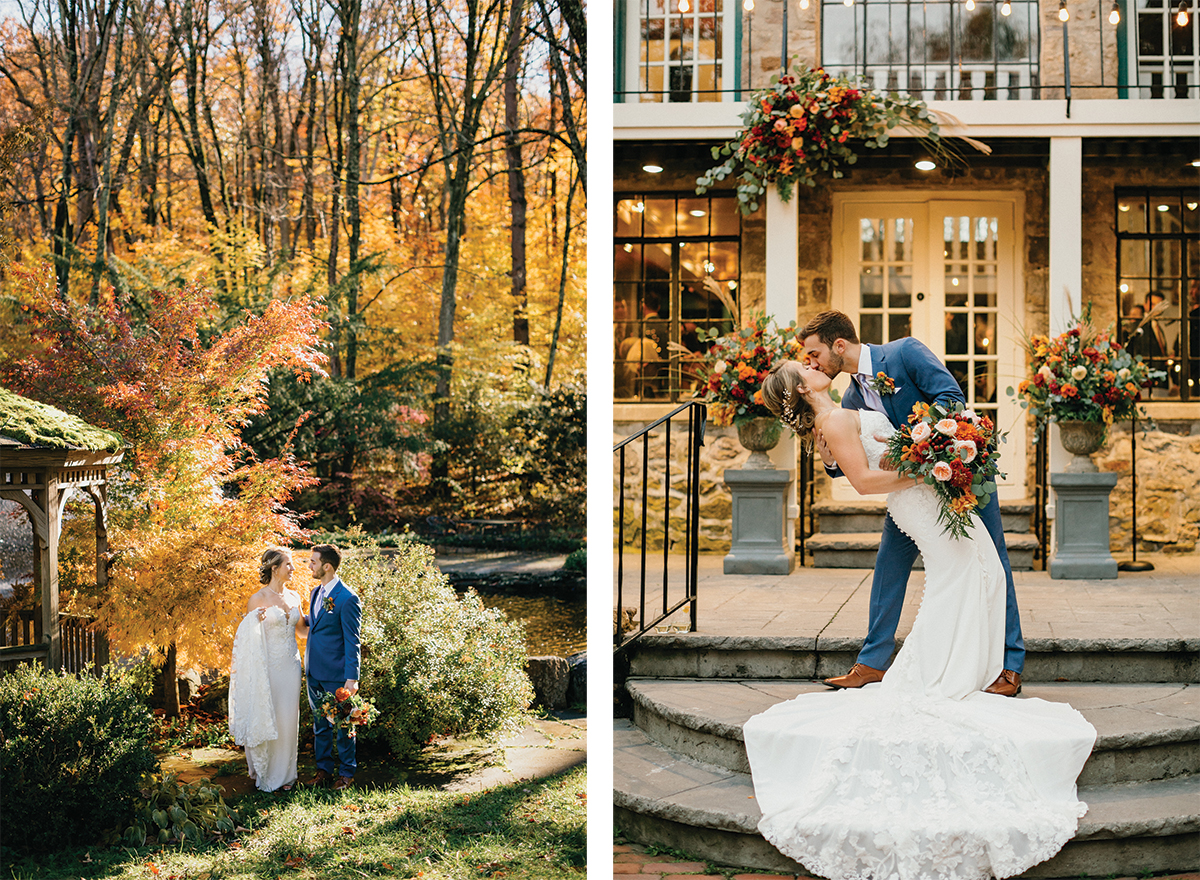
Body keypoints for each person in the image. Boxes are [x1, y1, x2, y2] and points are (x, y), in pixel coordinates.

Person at [746, 360, 1097, 879]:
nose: (816, 365)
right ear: (802, 386)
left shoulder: (843, 412)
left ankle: (957, 666)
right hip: (916, 497)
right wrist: (933, 461)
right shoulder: (837, 420)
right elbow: (864, 483)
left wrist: (933, 453)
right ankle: (939, 674)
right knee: (966, 573)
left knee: (981, 572)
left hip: (925, 492)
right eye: (807, 367)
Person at [799, 311, 1024, 696]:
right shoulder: (852, 396)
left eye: (815, 353)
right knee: (889, 565)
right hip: (913, 495)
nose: (811, 362)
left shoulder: (904, 352)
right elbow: (855, 463)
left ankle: (1009, 665)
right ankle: (871, 663)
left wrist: (909, 448)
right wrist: (829, 459)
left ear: (839, 345)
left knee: (993, 560)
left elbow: (951, 401)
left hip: (960, 474)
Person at [229, 548, 308, 793]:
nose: (293, 569)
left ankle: (286, 774)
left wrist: (325, 614)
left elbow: (303, 631)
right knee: (266, 714)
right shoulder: (257, 599)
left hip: (291, 667)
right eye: (289, 564)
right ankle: (265, 772)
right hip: (268, 668)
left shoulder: (295, 597)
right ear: (275, 568)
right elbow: (246, 639)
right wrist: (255, 622)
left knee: (288, 719)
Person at [303, 543, 362, 791]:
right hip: (315, 672)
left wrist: (352, 678)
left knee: (344, 725)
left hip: (337, 675)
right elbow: (313, 625)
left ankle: (346, 773)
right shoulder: (316, 593)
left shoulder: (347, 598)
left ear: (327, 566)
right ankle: (323, 770)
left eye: (313, 562)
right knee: (320, 726)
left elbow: (353, 641)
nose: (309, 566)